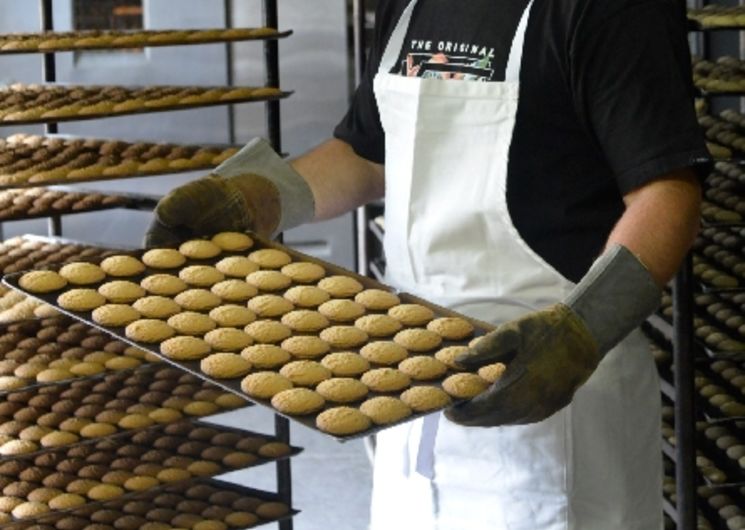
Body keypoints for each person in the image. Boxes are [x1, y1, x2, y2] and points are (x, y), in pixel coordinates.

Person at [146, 0, 709, 528]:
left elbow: (668, 195)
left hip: (552, 405)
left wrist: (583, 332)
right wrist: (258, 197)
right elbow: (367, 152)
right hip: (409, 394)